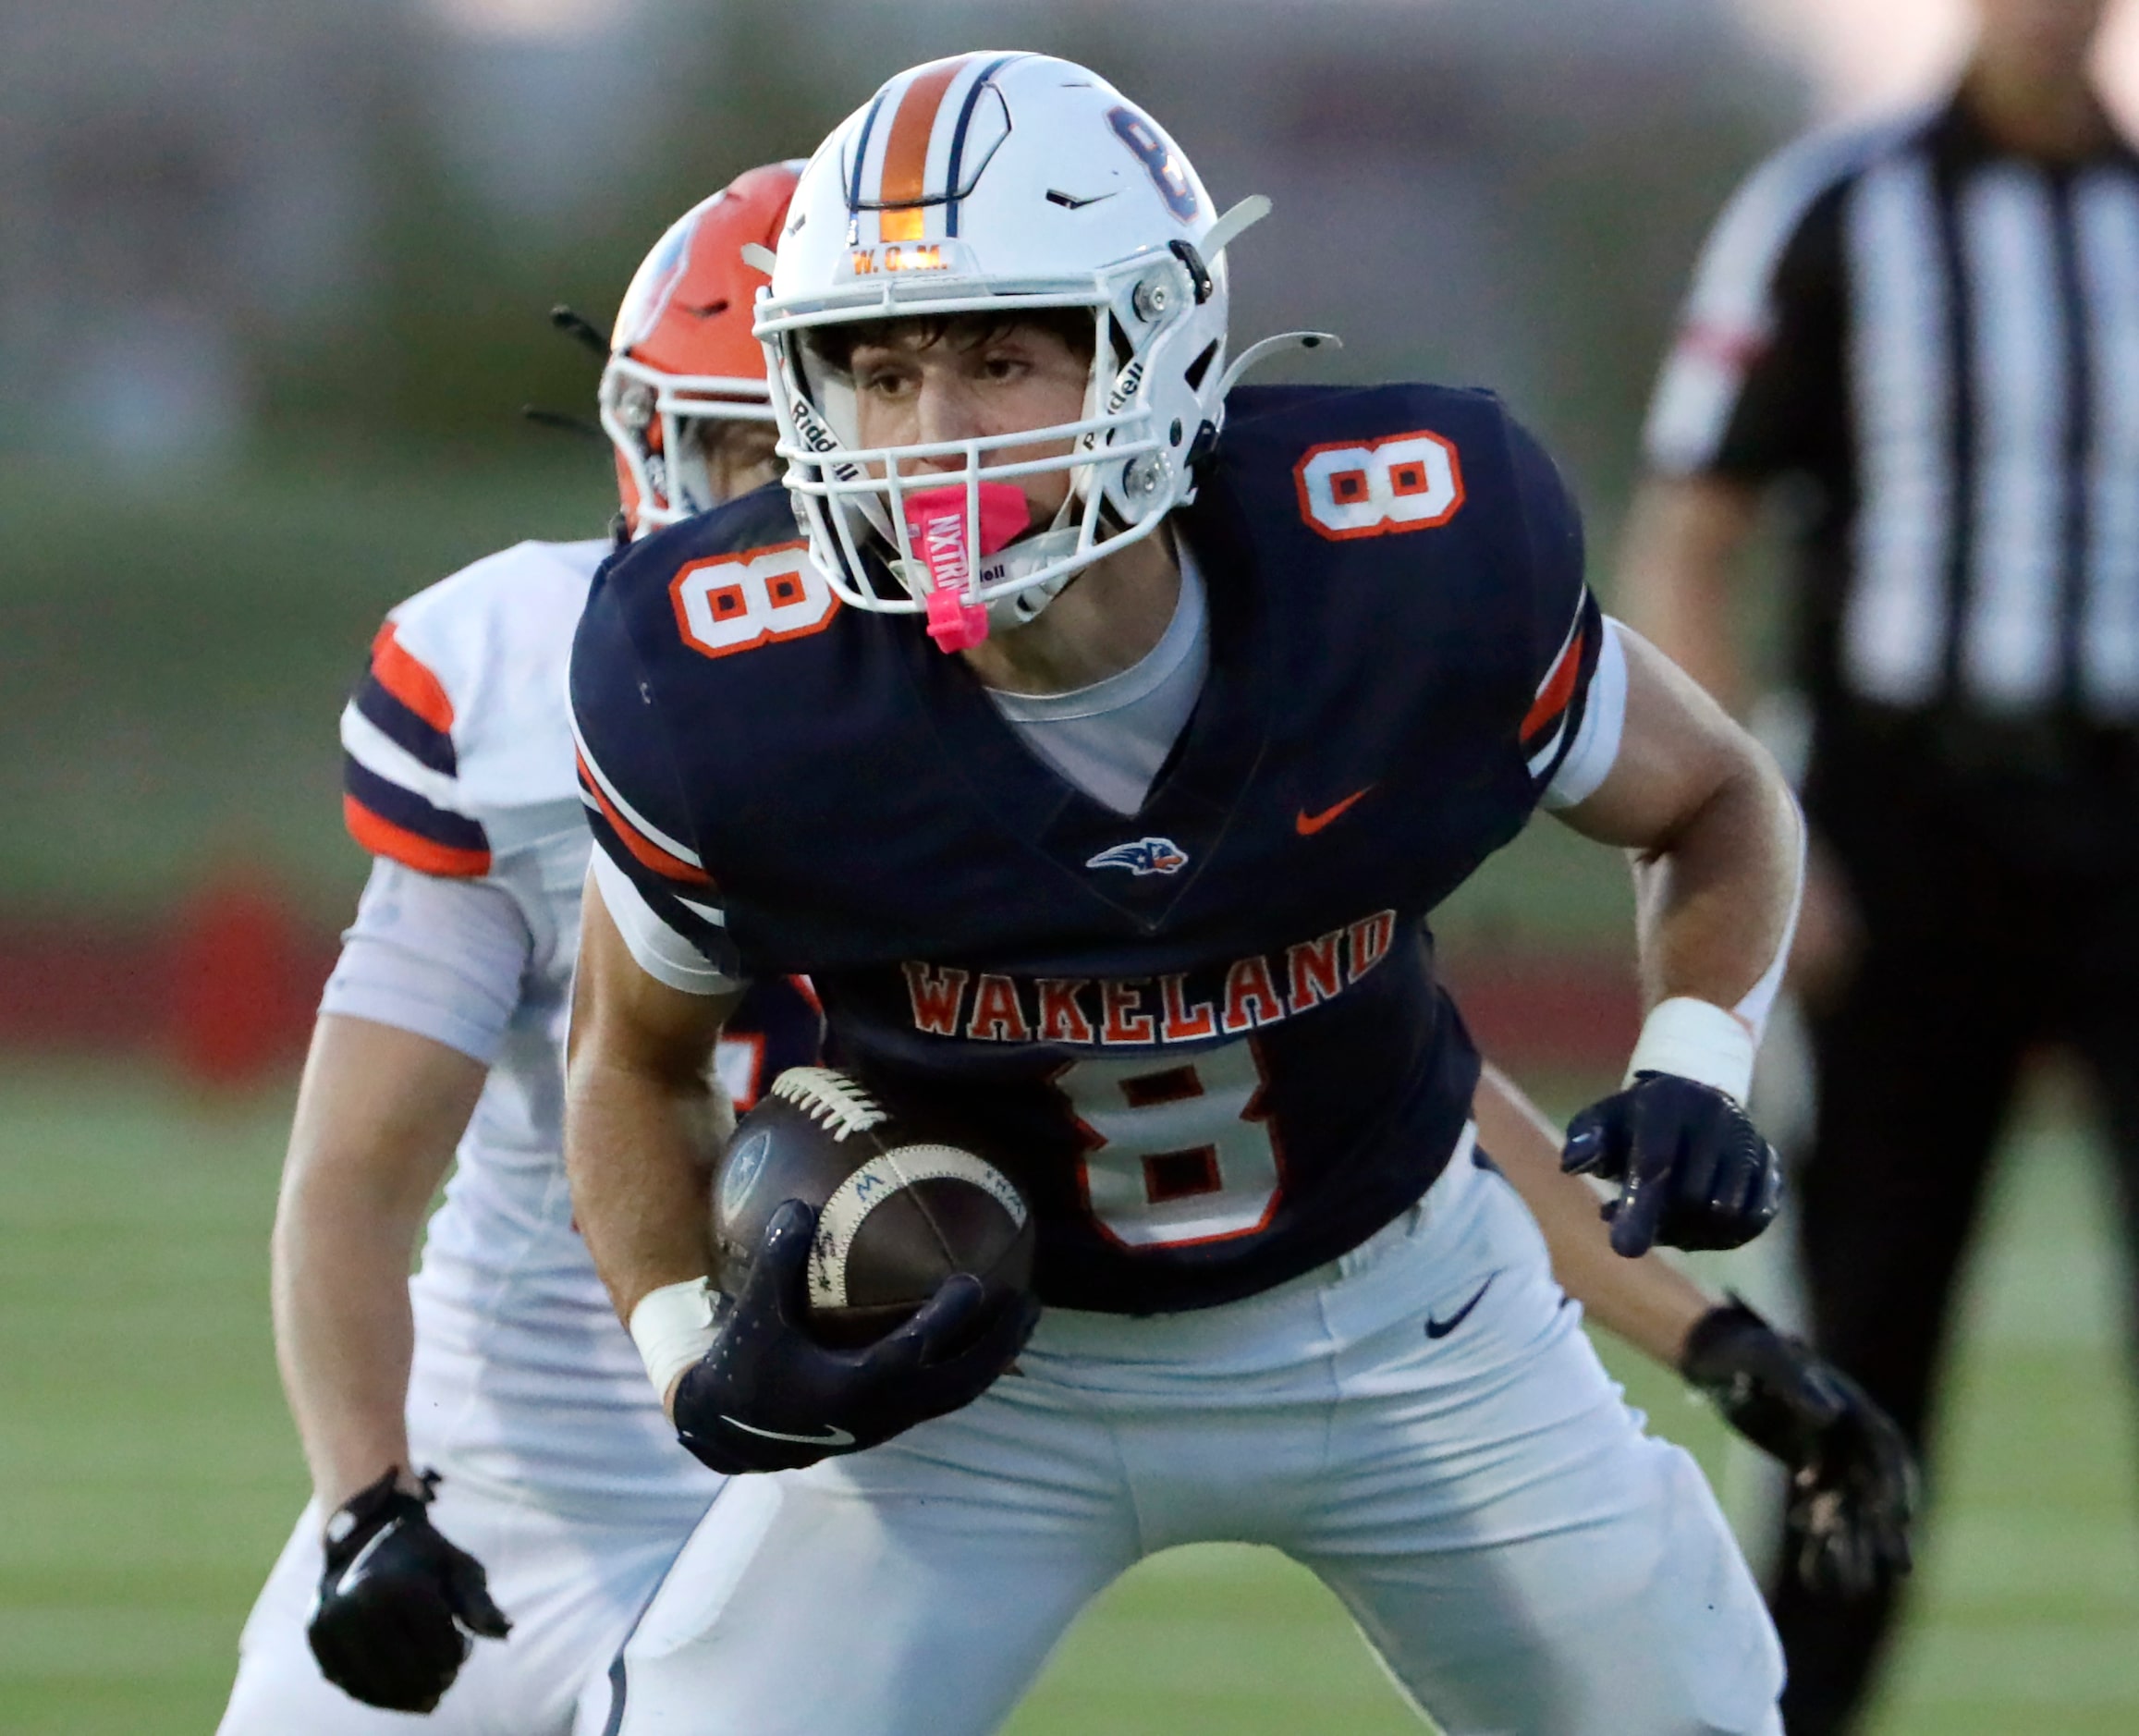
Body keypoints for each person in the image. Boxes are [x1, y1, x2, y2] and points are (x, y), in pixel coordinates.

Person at [567, 52, 1809, 1736]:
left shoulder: (1400, 556)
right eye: (878, 368)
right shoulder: (724, 679)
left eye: (1001, 358)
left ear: (1154, 343)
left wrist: (1693, 1053)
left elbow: (1717, 794)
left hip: (1400, 1303)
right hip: (977, 1371)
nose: (928, 434)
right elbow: (628, 1055)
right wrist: (686, 1353)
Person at [215, 165, 823, 1736]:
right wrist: (368, 1498)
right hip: (500, 1473)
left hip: (832, 1518)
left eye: (810, 449)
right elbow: (355, 1171)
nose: (771, 507)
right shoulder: (520, 690)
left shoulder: (1053, 720)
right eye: (736, 448)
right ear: (647, 444)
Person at [1620, 1, 2139, 1727]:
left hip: (2127, 806)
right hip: (1908, 821)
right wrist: (1764, 836)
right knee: (1870, 1320)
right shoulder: (1834, 208)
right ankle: (1801, 1710)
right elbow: (1687, 531)